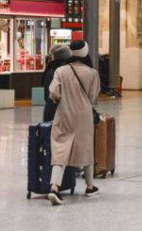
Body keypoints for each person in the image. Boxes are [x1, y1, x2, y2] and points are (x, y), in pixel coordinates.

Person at [47, 41, 101, 205]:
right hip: (84, 116)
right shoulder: (92, 73)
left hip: (64, 113)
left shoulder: (60, 71)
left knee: (60, 148)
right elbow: (93, 97)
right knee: (85, 147)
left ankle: (54, 187)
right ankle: (90, 186)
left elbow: (53, 93)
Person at [41, 44, 72, 122]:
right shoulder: (65, 70)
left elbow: (46, 92)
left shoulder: (50, 69)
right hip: (61, 108)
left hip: (51, 108)